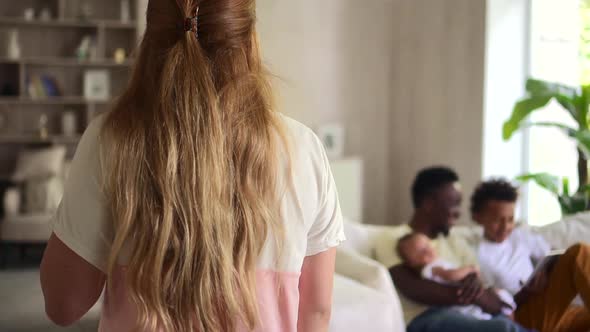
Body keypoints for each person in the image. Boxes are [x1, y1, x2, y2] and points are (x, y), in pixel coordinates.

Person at [39, 1, 345, 331]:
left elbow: (63, 305)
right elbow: (317, 311)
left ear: (150, 40)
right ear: (249, 39)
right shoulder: (304, 148)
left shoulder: (108, 141)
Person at [389, 166, 528, 332]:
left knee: (507, 324)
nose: (459, 213)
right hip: (426, 317)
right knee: (503, 328)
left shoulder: (457, 242)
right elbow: (412, 287)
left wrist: (477, 293)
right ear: (428, 204)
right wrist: (471, 294)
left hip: (468, 314)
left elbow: (486, 294)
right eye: (454, 203)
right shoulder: (393, 238)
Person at [472, 179, 590, 332]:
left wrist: (546, 271)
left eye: (510, 219)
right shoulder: (474, 252)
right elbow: (491, 307)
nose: (505, 227)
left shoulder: (520, 237)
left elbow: (552, 255)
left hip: (549, 308)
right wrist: (525, 294)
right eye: (497, 220)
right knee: (579, 252)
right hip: (519, 316)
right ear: (478, 217)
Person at [396, 232, 516, 321]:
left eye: (428, 245)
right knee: (499, 305)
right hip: (460, 303)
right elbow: (451, 275)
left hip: (467, 296)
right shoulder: (431, 268)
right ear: (411, 262)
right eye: (421, 251)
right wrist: (469, 269)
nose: (428, 251)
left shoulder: (438, 262)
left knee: (501, 295)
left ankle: (510, 319)